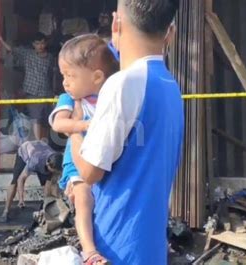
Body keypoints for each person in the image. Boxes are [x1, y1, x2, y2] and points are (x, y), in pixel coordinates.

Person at [70, 1, 182, 264]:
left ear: (115, 24)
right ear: (171, 33)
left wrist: (74, 132)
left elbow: (89, 171)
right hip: (150, 245)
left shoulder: (122, 83)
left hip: (119, 245)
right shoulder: (170, 85)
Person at [49, 34, 119, 265]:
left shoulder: (109, 97)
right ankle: (89, 251)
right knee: (83, 198)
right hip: (76, 161)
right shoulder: (68, 99)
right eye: (63, 76)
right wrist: (84, 125)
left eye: (71, 76)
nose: (65, 82)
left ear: (97, 77)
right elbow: (59, 124)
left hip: (101, 161)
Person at [0, 33, 56, 140]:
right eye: (37, 43)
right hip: (32, 92)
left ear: (46, 43)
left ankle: (45, 142)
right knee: (36, 118)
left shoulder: (50, 58)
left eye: (42, 43)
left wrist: (54, 91)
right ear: (33, 44)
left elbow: (52, 75)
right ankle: (39, 143)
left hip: (46, 93)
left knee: (47, 120)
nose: (40, 46)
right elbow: (12, 49)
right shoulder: (27, 55)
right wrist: (1, 40)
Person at [0, 140, 63, 222]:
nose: (53, 173)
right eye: (52, 170)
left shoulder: (57, 159)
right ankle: (6, 211)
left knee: (49, 184)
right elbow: (21, 179)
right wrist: (21, 199)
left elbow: (51, 184)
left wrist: (58, 201)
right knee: (15, 181)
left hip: (41, 148)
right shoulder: (35, 161)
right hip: (25, 151)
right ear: (48, 164)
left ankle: (49, 212)